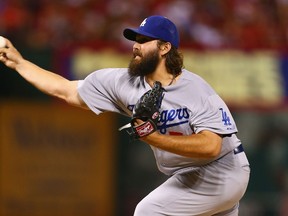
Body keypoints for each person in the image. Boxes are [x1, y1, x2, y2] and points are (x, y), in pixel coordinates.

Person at [0, 15, 250, 216]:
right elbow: (66, 90)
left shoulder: (195, 89)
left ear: (164, 48)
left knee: (148, 211)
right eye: (135, 39)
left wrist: (151, 137)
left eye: (144, 40)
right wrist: (20, 63)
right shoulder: (122, 82)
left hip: (224, 169)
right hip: (189, 175)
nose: (135, 45)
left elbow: (211, 146)